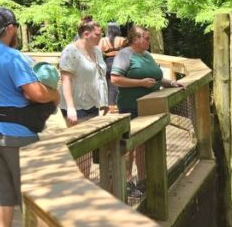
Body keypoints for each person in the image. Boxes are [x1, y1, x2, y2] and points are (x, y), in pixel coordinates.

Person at [0, 8, 60, 227]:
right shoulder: (13, 57)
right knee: (31, 195)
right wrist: (55, 94)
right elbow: (35, 93)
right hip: (18, 135)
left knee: (1, 193)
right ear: (10, 28)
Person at [110, 25, 183, 197]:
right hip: (131, 106)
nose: (149, 41)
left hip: (149, 108)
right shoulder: (125, 54)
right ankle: (127, 182)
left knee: (143, 146)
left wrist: (171, 83)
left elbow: (156, 77)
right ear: (136, 39)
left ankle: (143, 181)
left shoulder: (147, 55)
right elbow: (115, 79)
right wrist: (140, 83)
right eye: (147, 38)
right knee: (129, 146)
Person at [58, 16, 108, 177]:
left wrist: (104, 101)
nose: (101, 37)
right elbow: (65, 79)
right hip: (76, 107)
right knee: (80, 149)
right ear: (86, 34)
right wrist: (70, 108)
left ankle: (84, 181)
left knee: (88, 148)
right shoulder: (70, 51)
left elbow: (99, 78)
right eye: (98, 34)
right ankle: (79, 183)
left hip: (93, 104)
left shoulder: (97, 51)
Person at [99, 22, 127, 111]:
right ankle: (120, 104)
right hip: (120, 62)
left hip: (108, 63)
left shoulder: (103, 40)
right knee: (121, 83)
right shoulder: (122, 40)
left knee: (110, 84)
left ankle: (111, 106)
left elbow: (98, 53)